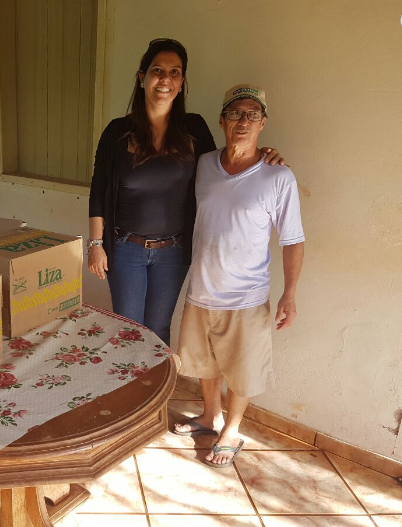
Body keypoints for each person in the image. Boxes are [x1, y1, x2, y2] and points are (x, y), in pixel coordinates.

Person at [87, 39, 283, 345]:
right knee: (127, 329)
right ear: (142, 77)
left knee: (158, 327)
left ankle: (157, 392)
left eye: (175, 72)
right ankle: (130, 389)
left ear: (181, 83)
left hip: (175, 251)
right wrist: (96, 243)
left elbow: (222, 168)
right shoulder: (116, 132)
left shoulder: (193, 129)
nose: (165, 79)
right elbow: (98, 189)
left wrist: (261, 156)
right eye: (158, 70)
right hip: (125, 249)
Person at [173, 84, 305, 468]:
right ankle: (209, 416)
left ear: (263, 123)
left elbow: (293, 239)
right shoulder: (204, 164)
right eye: (235, 113)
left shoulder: (278, 177)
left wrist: (290, 293)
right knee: (204, 363)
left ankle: (231, 429)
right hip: (201, 290)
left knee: (243, 370)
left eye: (252, 115)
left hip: (245, 296)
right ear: (222, 120)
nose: (242, 121)